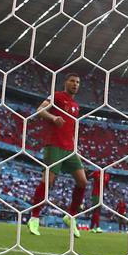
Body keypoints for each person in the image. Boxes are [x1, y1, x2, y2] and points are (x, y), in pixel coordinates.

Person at [27, 74, 87, 237]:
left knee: (82, 181)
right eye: (72, 81)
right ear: (65, 82)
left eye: (78, 82)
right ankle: (34, 218)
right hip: (54, 145)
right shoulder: (57, 96)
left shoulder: (76, 106)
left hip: (70, 149)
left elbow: (71, 130)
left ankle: (70, 217)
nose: (75, 84)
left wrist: (75, 148)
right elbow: (40, 110)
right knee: (48, 181)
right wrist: (53, 117)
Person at [88, 168, 110, 233]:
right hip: (95, 194)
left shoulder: (107, 175)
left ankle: (91, 228)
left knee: (96, 211)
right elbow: (88, 177)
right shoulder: (96, 173)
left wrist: (110, 190)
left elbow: (107, 185)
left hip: (101, 195)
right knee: (96, 211)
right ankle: (97, 227)